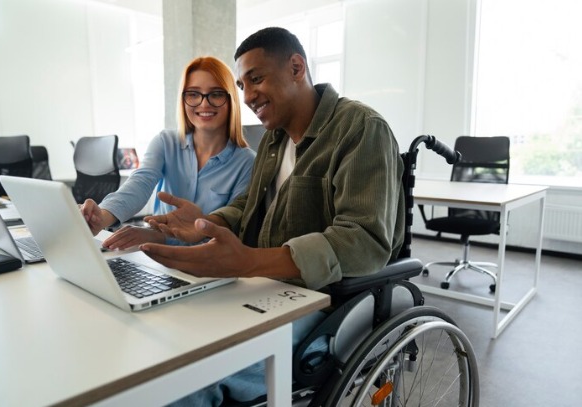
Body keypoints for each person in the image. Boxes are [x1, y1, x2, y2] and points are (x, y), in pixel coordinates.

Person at [142, 27, 405, 405]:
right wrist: (206, 224)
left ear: (296, 67)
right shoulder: (274, 139)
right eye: (241, 85)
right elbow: (249, 204)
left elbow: (363, 241)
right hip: (265, 290)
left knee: (189, 379)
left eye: (256, 79)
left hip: (324, 304)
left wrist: (250, 262)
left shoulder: (361, 129)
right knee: (169, 342)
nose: (247, 97)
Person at [80, 56, 256, 250]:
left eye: (216, 94)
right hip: (160, 262)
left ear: (230, 99)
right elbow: (140, 184)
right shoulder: (166, 142)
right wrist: (101, 217)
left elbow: (230, 232)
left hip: (209, 265)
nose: (204, 104)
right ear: (183, 100)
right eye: (193, 94)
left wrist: (160, 238)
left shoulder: (247, 162)